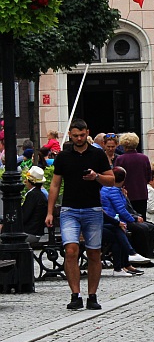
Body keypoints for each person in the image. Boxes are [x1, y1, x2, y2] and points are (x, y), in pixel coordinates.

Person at [45, 118, 116, 311]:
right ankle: (75, 294)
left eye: (82, 135)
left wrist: (96, 177)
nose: (79, 138)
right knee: (70, 250)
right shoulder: (63, 156)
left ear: (87, 133)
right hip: (69, 209)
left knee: (94, 252)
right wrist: (50, 212)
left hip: (93, 209)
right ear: (70, 135)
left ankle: (92, 295)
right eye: (75, 135)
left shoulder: (97, 154)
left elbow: (111, 180)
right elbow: (55, 185)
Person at [99, 167, 146, 277]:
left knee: (119, 232)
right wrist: (133, 219)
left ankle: (125, 263)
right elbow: (121, 209)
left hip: (112, 221)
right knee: (121, 232)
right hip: (110, 221)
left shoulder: (111, 189)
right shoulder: (112, 190)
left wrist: (124, 196)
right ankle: (129, 256)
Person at [112, 132, 151, 214]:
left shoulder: (120, 159)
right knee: (142, 216)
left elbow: (116, 177)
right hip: (142, 193)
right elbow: (148, 177)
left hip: (126, 193)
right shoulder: (144, 158)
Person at [21, 166, 48, 245]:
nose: (25, 181)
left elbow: (24, 216)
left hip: (30, 233)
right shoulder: (39, 194)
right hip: (35, 232)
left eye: (26, 179)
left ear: (30, 182)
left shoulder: (33, 195)